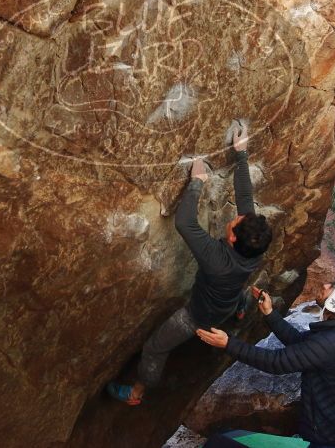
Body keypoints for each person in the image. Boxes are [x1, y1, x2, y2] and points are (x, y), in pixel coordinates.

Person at [106, 123, 272, 405]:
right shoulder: (256, 244)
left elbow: (184, 223)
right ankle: (241, 309)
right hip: (229, 297)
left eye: (235, 222)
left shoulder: (216, 259)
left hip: (199, 315)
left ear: (232, 237)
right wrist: (241, 154)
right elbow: (245, 198)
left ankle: (136, 393)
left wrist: (197, 182)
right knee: (238, 294)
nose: (239, 215)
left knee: (155, 347)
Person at [197, 278, 335, 448]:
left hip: (333, 442)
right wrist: (270, 313)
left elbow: (276, 362)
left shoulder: (331, 342)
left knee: (222, 442)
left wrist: (228, 343)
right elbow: (299, 343)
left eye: (333, 286)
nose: (326, 284)